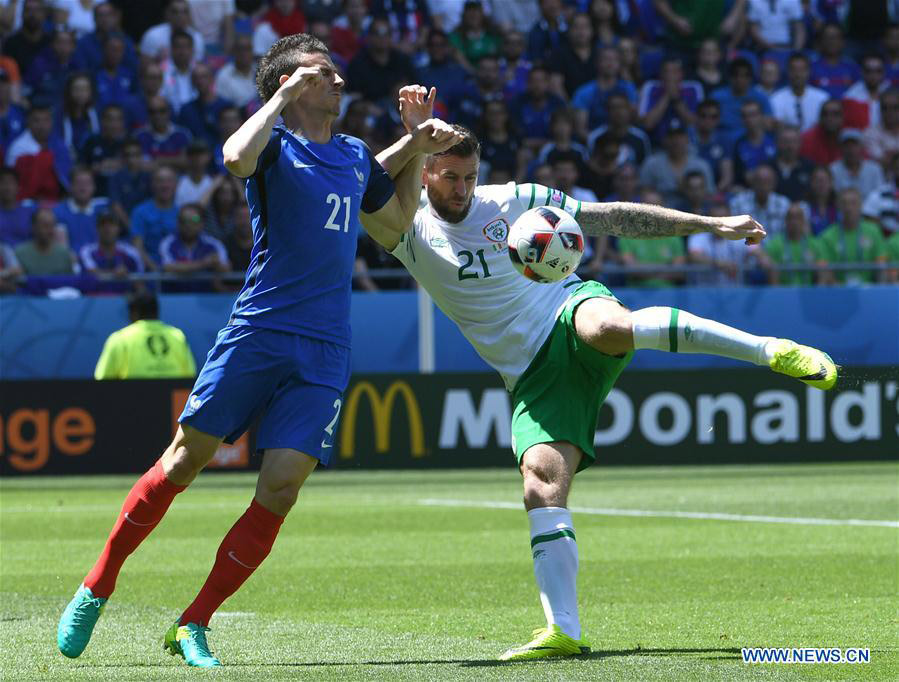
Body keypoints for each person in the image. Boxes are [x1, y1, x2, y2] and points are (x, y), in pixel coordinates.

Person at [55, 33, 460, 669]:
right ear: (287, 87)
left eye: (333, 72)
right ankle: (98, 582)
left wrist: (413, 142)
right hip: (259, 331)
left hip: (326, 346)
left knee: (282, 485)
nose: (336, 81)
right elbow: (233, 156)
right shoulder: (274, 145)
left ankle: (194, 622)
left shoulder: (354, 155)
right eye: (320, 74)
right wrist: (279, 101)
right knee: (186, 460)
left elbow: (397, 225)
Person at [380, 121, 837, 662]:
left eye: (471, 177)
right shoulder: (405, 229)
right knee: (541, 484)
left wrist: (710, 224)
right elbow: (362, 182)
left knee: (607, 328)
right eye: (451, 177)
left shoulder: (515, 202)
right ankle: (564, 630)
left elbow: (613, 216)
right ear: (427, 172)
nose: (462, 189)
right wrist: (411, 137)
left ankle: (769, 351)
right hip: (530, 375)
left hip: (568, 308)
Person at [94, 292, 196, 379]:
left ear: (134, 313)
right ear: (156, 311)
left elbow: (102, 379)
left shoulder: (119, 338)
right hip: (176, 401)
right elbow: (190, 374)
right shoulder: (177, 336)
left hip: (131, 400)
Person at [818, 187, 888, 283]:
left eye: (853, 203)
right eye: (844, 203)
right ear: (838, 207)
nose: (848, 208)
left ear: (861, 206)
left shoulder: (873, 232)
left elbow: (881, 267)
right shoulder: (827, 236)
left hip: (869, 290)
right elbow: (824, 270)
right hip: (839, 291)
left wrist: (877, 291)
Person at [763, 202, 829, 285]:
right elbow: (771, 275)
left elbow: (823, 266)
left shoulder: (814, 244)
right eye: (791, 218)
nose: (794, 222)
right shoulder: (775, 244)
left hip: (808, 293)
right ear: (785, 221)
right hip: (783, 294)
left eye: (798, 218)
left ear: (804, 221)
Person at [14, 207, 78, 276]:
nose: (50, 230)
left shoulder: (64, 254)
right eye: (45, 226)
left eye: (53, 225)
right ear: (34, 227)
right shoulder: (20, 254)